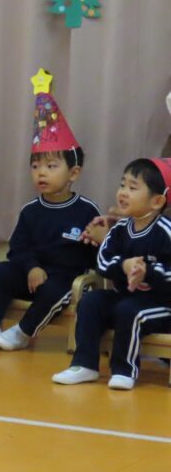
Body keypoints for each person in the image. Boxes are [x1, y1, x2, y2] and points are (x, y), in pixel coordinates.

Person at [0, 70, 100, 350]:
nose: (41, 173)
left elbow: (94, 254)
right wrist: (32, 267)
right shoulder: (31, 210)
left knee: (58, 288)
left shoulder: (87, 210)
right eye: (35, 166)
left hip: (65, 277)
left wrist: (99, 239)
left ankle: (22, 332)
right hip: (31, 272)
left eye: (51, 166)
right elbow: (18, 248)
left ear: (74, 173)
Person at [53, 157, 171, 390]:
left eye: (133, 188)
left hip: (162, 305)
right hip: (126, 297)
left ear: (157, 201)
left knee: (130, 311)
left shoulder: (165, 232)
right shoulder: (119, 229)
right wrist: (124, 266)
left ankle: (124, 370)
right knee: (91, 301)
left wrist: (147, 271)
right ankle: (84, 364)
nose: (123, 192)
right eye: (122, 185)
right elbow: (103, 262)